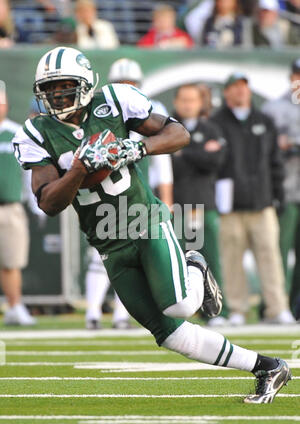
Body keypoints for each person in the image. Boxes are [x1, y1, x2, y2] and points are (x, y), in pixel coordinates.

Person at [13, 46, 291, 404]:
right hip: (108, 241)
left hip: (144, 221)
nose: (57, 95)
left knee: (179, 306)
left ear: (84, 84)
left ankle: (194, 267)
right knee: (170, 335)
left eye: (64, 85)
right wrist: (79, 169)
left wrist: (135, 148)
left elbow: (178, 134)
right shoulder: (36, 132)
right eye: (50, 88)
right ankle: (267, 367)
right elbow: (49, 202)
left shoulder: (114, 99)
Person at [85, 57, 174, 330]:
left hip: (134, 188)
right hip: (100, 192)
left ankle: (122, 316)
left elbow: (162, 159)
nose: (126, 88)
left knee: (134, 254)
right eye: (121, 84)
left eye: (131, 83)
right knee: (101, 254)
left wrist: (167, 197)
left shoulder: (149, 110)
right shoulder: (98, 110)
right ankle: (92, 313)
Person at [212, 72, 296, 326]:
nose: (240, 92)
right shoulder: (217, 122)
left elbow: (275, 162)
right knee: (231, 259)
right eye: (235, 88)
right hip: (230, 206)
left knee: (271, 258)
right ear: (226, 92)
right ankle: (237, 309)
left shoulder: (264, 121)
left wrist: (277, 195)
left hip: (262, 202)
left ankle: (277, 308)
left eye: (244, 87)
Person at [171, 83, 229, 326]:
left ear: (200, 102)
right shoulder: (168, 128)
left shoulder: (211, 128)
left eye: (192, 99)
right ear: (176, 102)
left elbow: (216, 161)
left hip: (204, 204)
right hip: (177, 205)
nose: (187, 104)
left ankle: (218, 312)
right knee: (177, 259)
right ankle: (182, 309)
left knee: (211, 256)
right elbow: (168, 166)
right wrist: (199, 154)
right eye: (183, 99)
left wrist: (184, 153)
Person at [262, 58, 300, 319]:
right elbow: (263, 150)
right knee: (278, 252)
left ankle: (296, 307)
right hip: (285, 189)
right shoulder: (274, 109)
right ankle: (276, 306)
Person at [0, 88, 36, 325]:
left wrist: (37, 203)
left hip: (9, 205)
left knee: (11, 261)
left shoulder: (16, 133)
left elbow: (30, 173)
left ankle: (14, 305)